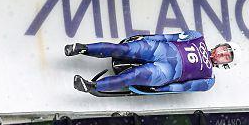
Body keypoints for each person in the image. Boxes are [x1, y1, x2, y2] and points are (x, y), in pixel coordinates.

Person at [66, 30, 235, 94]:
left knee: (133, 76)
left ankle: (92, 86)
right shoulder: (197, 37)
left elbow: (184, 87)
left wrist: (163, 89)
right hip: (161, 49)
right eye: (225, 49)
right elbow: (170, 37)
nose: (222, 54)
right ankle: (82, 48)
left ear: (225, 64)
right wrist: (148, 38)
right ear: (220, 45)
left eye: (227, 56)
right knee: (124, 50)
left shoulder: (208, 80)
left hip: (167, 72)